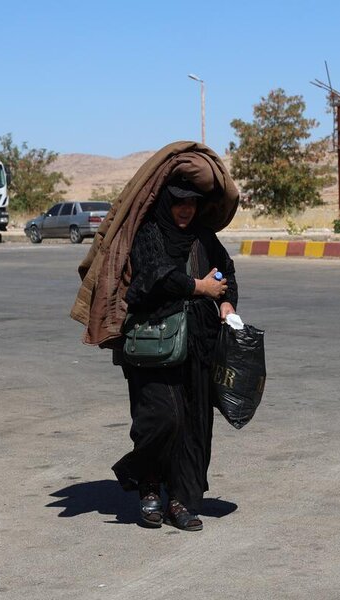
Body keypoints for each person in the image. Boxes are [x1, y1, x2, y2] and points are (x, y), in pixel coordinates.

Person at [111, 177, 238, 531]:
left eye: (192, 204)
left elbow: (226, 273)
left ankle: (181, 500)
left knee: (196, 426)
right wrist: (199, 286)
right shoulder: (148, 233)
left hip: (199, 344)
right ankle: (145, 480)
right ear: (166, 202)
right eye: (179, 202)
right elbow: (154, 276)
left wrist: (226, 301)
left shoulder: (203, 238)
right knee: (163, 419)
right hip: (153, 342)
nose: (185, 209)